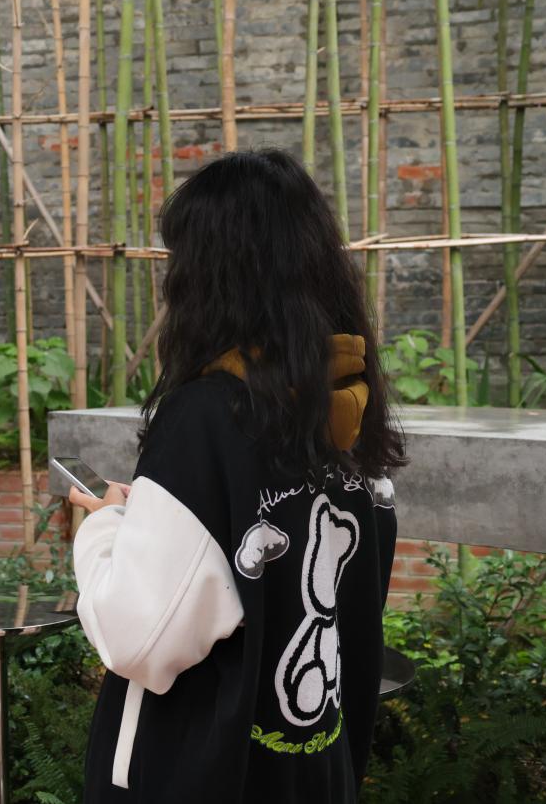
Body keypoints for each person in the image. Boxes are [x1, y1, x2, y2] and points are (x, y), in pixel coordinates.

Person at [69, 149, 405, 803]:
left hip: (206, 777)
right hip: (314, 771)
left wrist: (105, 528)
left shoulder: (208, 420)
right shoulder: (348, 409)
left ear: (212, 277)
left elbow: (139, 636)